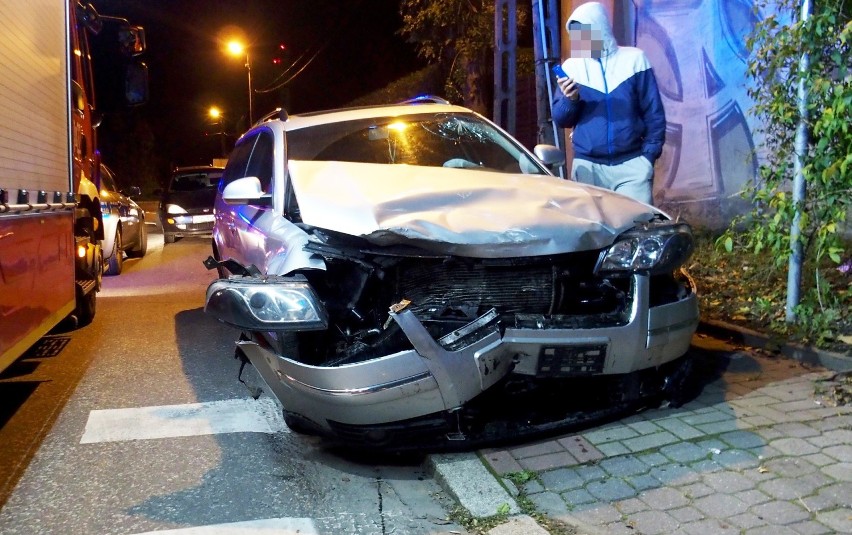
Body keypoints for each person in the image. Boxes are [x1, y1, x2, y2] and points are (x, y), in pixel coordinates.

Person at [551, 2, 665, 205]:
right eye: (576, 35)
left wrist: (647, 157)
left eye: (585, 33)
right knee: (594, 233)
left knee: (636, 230)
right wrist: (571, 99)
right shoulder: (572, 68)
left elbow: (654, 113)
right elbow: (561, 119)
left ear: (600, 28)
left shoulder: (635, 60)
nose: (581, 41)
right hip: (588, 168)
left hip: (632, 167)